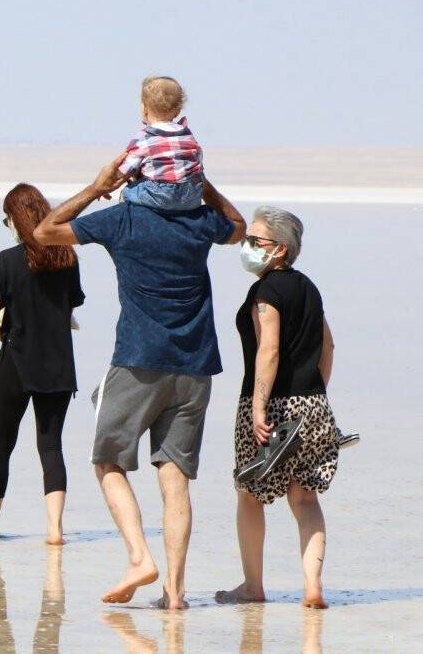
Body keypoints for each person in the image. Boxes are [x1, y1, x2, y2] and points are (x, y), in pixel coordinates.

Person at [34, 156, 247, 609]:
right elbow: (239, 226)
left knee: (107, 462)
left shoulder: (123, 218)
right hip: (196, 366)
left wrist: (96, 186)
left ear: (138, 178)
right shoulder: (200, 222)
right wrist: (202, 185)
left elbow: (45, 231)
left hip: (137, 361)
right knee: (174, 481)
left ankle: (138, 558)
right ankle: (175, 593)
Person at [216, 207, 338, 610]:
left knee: (249, 492)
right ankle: (312, 586)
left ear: (280, 249)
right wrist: (315, 393)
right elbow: (329, 346)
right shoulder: (310, 288)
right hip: (313, 404)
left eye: (256, 241)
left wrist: (258, 407)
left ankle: (253, 585)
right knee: (305, 498)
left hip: (272, 405)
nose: (247, 247)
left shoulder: (266, 292)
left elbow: (268, 350)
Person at [0, 184, 84, 545]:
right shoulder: (67, 258)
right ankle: (55, 529)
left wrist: (0, 335)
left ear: (16, 219)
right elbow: (71, 305)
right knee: (51, 446)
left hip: (16, 361)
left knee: (1, 444)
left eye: (7, 219)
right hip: (59, 365)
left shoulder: (5, 261)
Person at [118, 76, 204, 212]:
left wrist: (107, 186)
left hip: (159, 195)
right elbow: (198, 160)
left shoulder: (144, 137)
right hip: (189, 195)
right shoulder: (187, 134)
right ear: (178, 110)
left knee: (128, 192)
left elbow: (125, 169)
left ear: (144, 108)